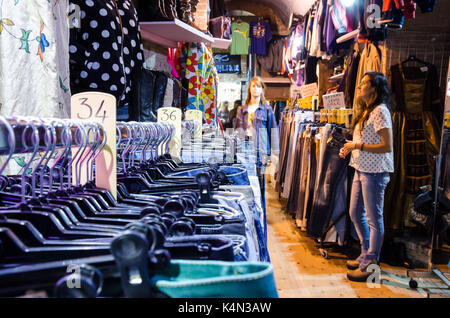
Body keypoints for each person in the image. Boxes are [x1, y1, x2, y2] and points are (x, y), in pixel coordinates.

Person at [339, 71, 394, 282]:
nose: (360, 86)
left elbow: (386, 146)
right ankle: (365, 254)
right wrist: (349, 149)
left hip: (375, 172)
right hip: (361, 168)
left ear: (375, 88)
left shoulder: (380, 111)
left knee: (373, 218)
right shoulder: (366, 111)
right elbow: (361, 141)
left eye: (364, 83)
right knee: (354, 212)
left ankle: (372, 263)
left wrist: (357, 145)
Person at [234, 76, 279, 248]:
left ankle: (261, 227)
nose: (256, 90)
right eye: (253, 87)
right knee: (248, 187)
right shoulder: (243, 110)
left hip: (260, 154)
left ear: (262, 90)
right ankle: (251, 223)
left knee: (260, 190)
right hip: (245, 151)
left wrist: (274, 153)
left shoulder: (267, 110)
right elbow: (237, 133)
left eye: (258, 87)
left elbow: (273, 131)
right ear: (249, 90)